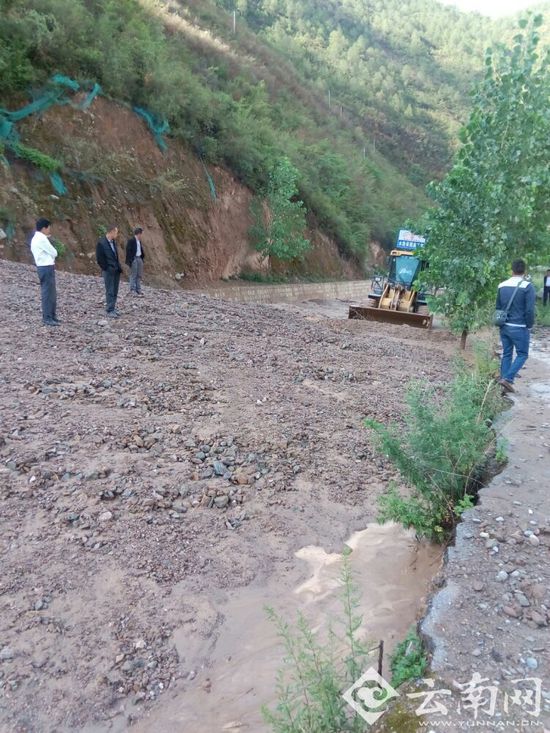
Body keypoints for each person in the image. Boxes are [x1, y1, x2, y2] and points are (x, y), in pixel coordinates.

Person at [496, 259, 536, 393]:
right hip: (519, 327)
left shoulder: (502, 285)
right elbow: (530, 310)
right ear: (524, 271)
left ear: (512, 270)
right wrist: (529, 325)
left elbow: (499, 307)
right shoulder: (527, 286)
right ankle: (507, 379)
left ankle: (503, 385)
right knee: (523, 354)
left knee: (507, 353)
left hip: (504, 325)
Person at [30, 218, 59, 327]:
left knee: (51, 292)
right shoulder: (42, 239)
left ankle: (51, 316)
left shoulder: (36, 238)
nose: (49, 230)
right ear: (44, 228)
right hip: (46, 267)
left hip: (43, 267)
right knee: (48, 293)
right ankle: (48, 317)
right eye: (48, 228)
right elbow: (54, 252)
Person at [96, 225, 122, 317]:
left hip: (116, 269)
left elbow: (115, 256)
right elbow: (99, 259)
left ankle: (113, 307)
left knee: (115, 290)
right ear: (111, 232)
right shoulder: (101, 243)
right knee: (110, 290)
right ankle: (109, 309)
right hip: (108, 270)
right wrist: (106, 268)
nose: (117, 234)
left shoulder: (113, 242)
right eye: (116, 232)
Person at [126, 226, 145, 295]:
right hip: (134, 258)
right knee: (133, 274)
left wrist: (142, 258)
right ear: (139, 234)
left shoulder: (139, 241)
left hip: (139, 258)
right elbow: (128, 250)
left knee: (139, 274)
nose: (142, 235)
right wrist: (131, 259)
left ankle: (138, 289)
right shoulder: (131, 240)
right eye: (141, 234)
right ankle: (132, 289)